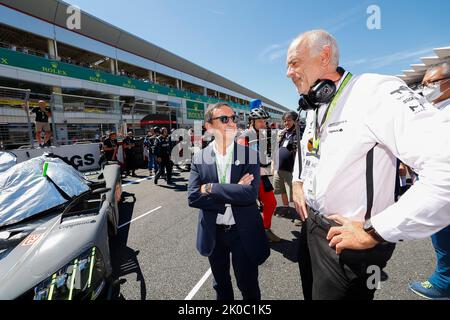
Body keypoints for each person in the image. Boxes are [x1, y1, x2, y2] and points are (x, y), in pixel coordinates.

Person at [287, 30, 450, 300]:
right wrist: (297, 180)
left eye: (293, 63)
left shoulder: (375, 92)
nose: (288, 73)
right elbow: (307, 150)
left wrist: (375, 230)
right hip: (312, 228)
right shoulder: (315, 103)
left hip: (351, 241)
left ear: (324, 56)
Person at [187, 102, 270, 300]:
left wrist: (212, 188)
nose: (232, 122)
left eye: (234, 118)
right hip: (213, 232)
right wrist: (234, 191)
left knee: (248, 285)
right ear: (209, 127)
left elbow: (249, 195)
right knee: (221, 286)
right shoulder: (199, 158)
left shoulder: (250, 155)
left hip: (243, 233)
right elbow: (192, 197)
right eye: (225, 119)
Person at [409, 60, 450, 299]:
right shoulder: (436, 110)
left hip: (442, 190)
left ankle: (443, 282)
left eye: (430, 83)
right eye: (422, 84)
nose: (424, 89)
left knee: (443, 236)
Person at [237, 102, 280, 243]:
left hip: (262, 176)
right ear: (252, 121)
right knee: (247, 208)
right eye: (260, 121)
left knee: (271, 203)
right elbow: (241, 160)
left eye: (264, 121)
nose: (263, 124)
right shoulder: (245, 136)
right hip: (248, 178)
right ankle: (245, 232)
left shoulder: (263, 136)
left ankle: (265, 229)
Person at [273, 111, 300, 225]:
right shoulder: (284, 133)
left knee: (295, 193)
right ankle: (286, 208)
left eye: (288, 120)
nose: (286, 123)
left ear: (294, 120)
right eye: (284, 121)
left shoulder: (299, 133)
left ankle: (299, 215)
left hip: (291, 169)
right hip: (279, 168)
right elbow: (277, 148)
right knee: (282, 191)